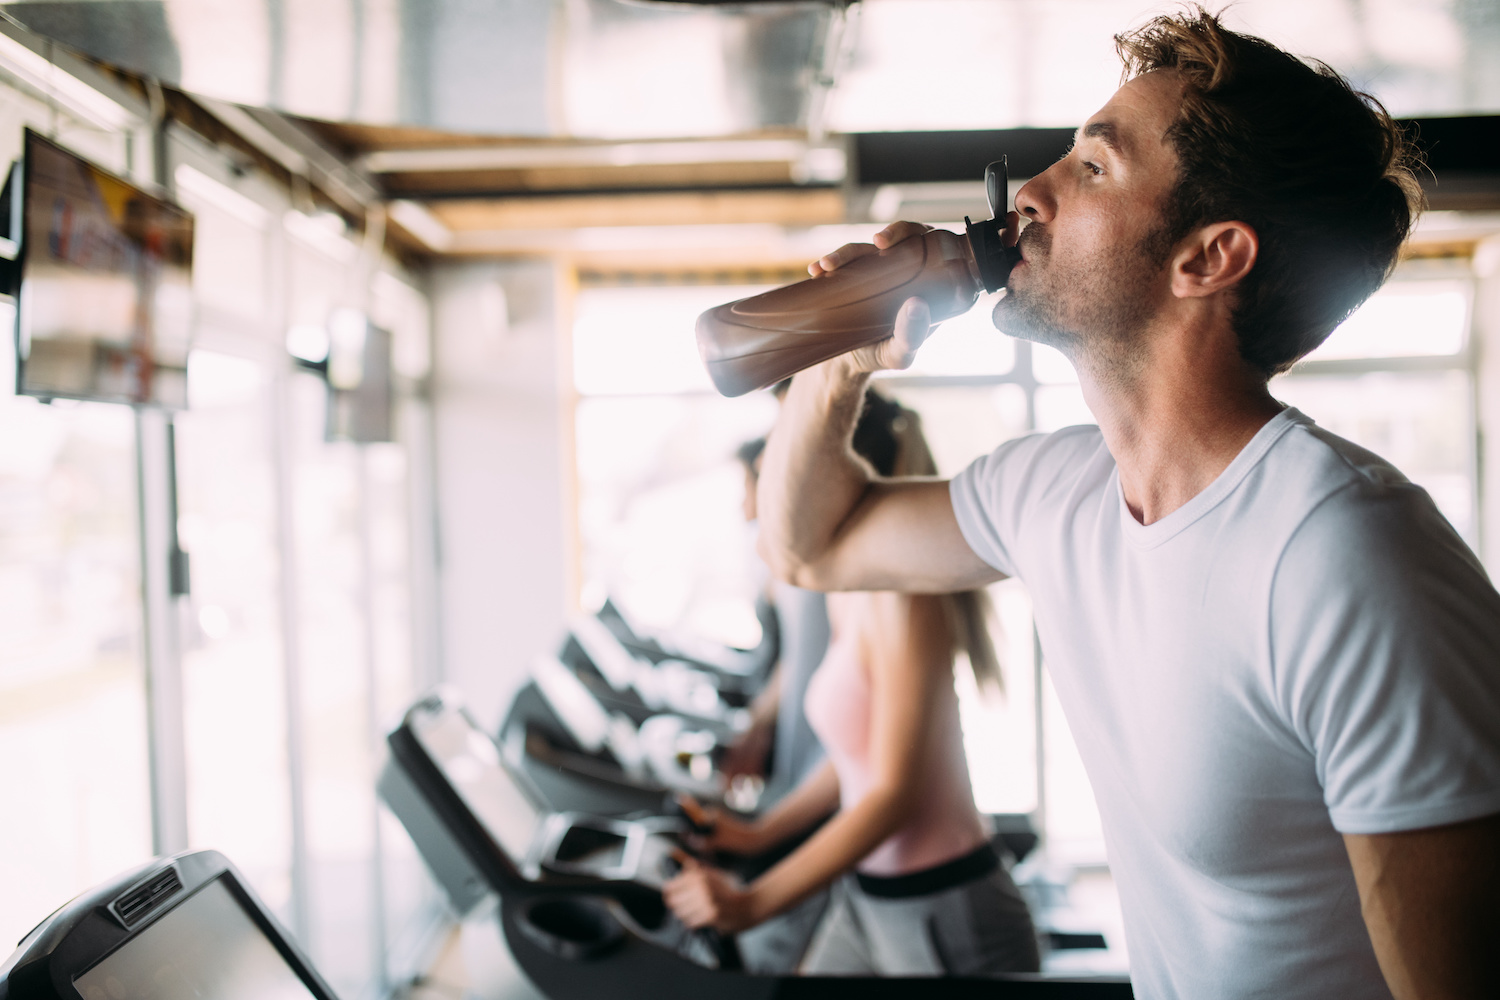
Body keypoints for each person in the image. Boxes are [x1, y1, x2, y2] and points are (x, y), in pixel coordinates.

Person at [752, 8, 1500, 999]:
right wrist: (846, 360)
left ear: (1207, 257)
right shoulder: (1056, 491)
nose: (1031, 193)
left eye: (1093, 168)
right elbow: (813, 549)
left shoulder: (1348, 557)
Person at [664, 392, 1041, 977]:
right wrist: (757, 834)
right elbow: (856, 757)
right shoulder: (847, 590)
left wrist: (751, 902)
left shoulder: (901, 597)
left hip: (944, 911)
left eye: (775, 475)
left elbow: (893, 794)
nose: (766, 500)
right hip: (867, 899)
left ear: (834, 475)